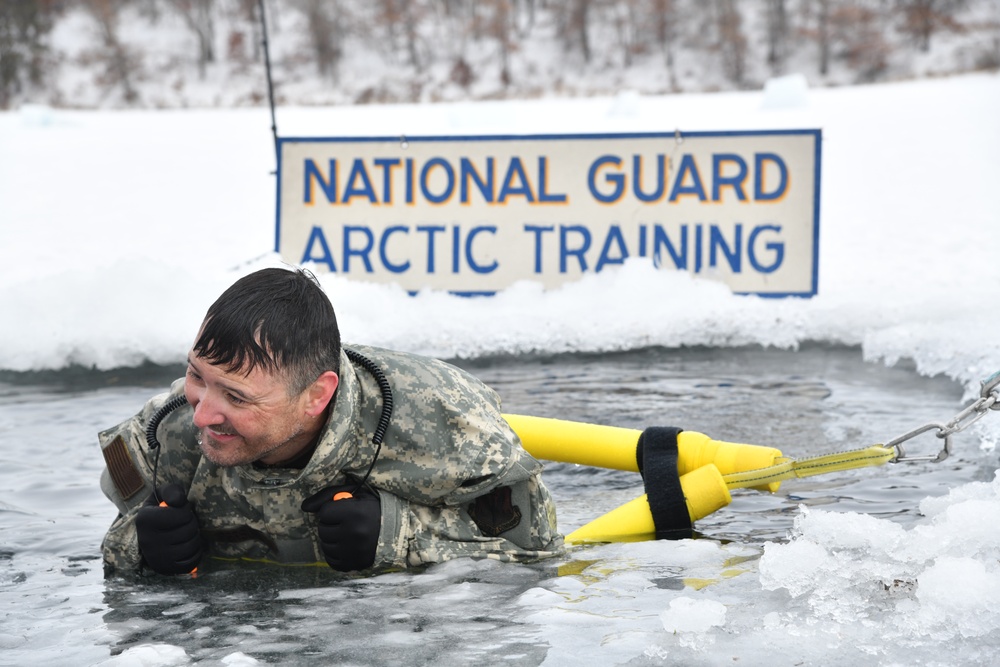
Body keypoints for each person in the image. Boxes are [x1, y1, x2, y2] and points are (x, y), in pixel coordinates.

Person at [98, 267, 562, 576]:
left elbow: (538, 549)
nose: (201, 413)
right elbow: (116, 544)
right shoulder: (165, 434)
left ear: (316, 395)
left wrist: (399, 534)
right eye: (196, 375)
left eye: (237, 396)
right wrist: (142, 549)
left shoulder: (444, 420)